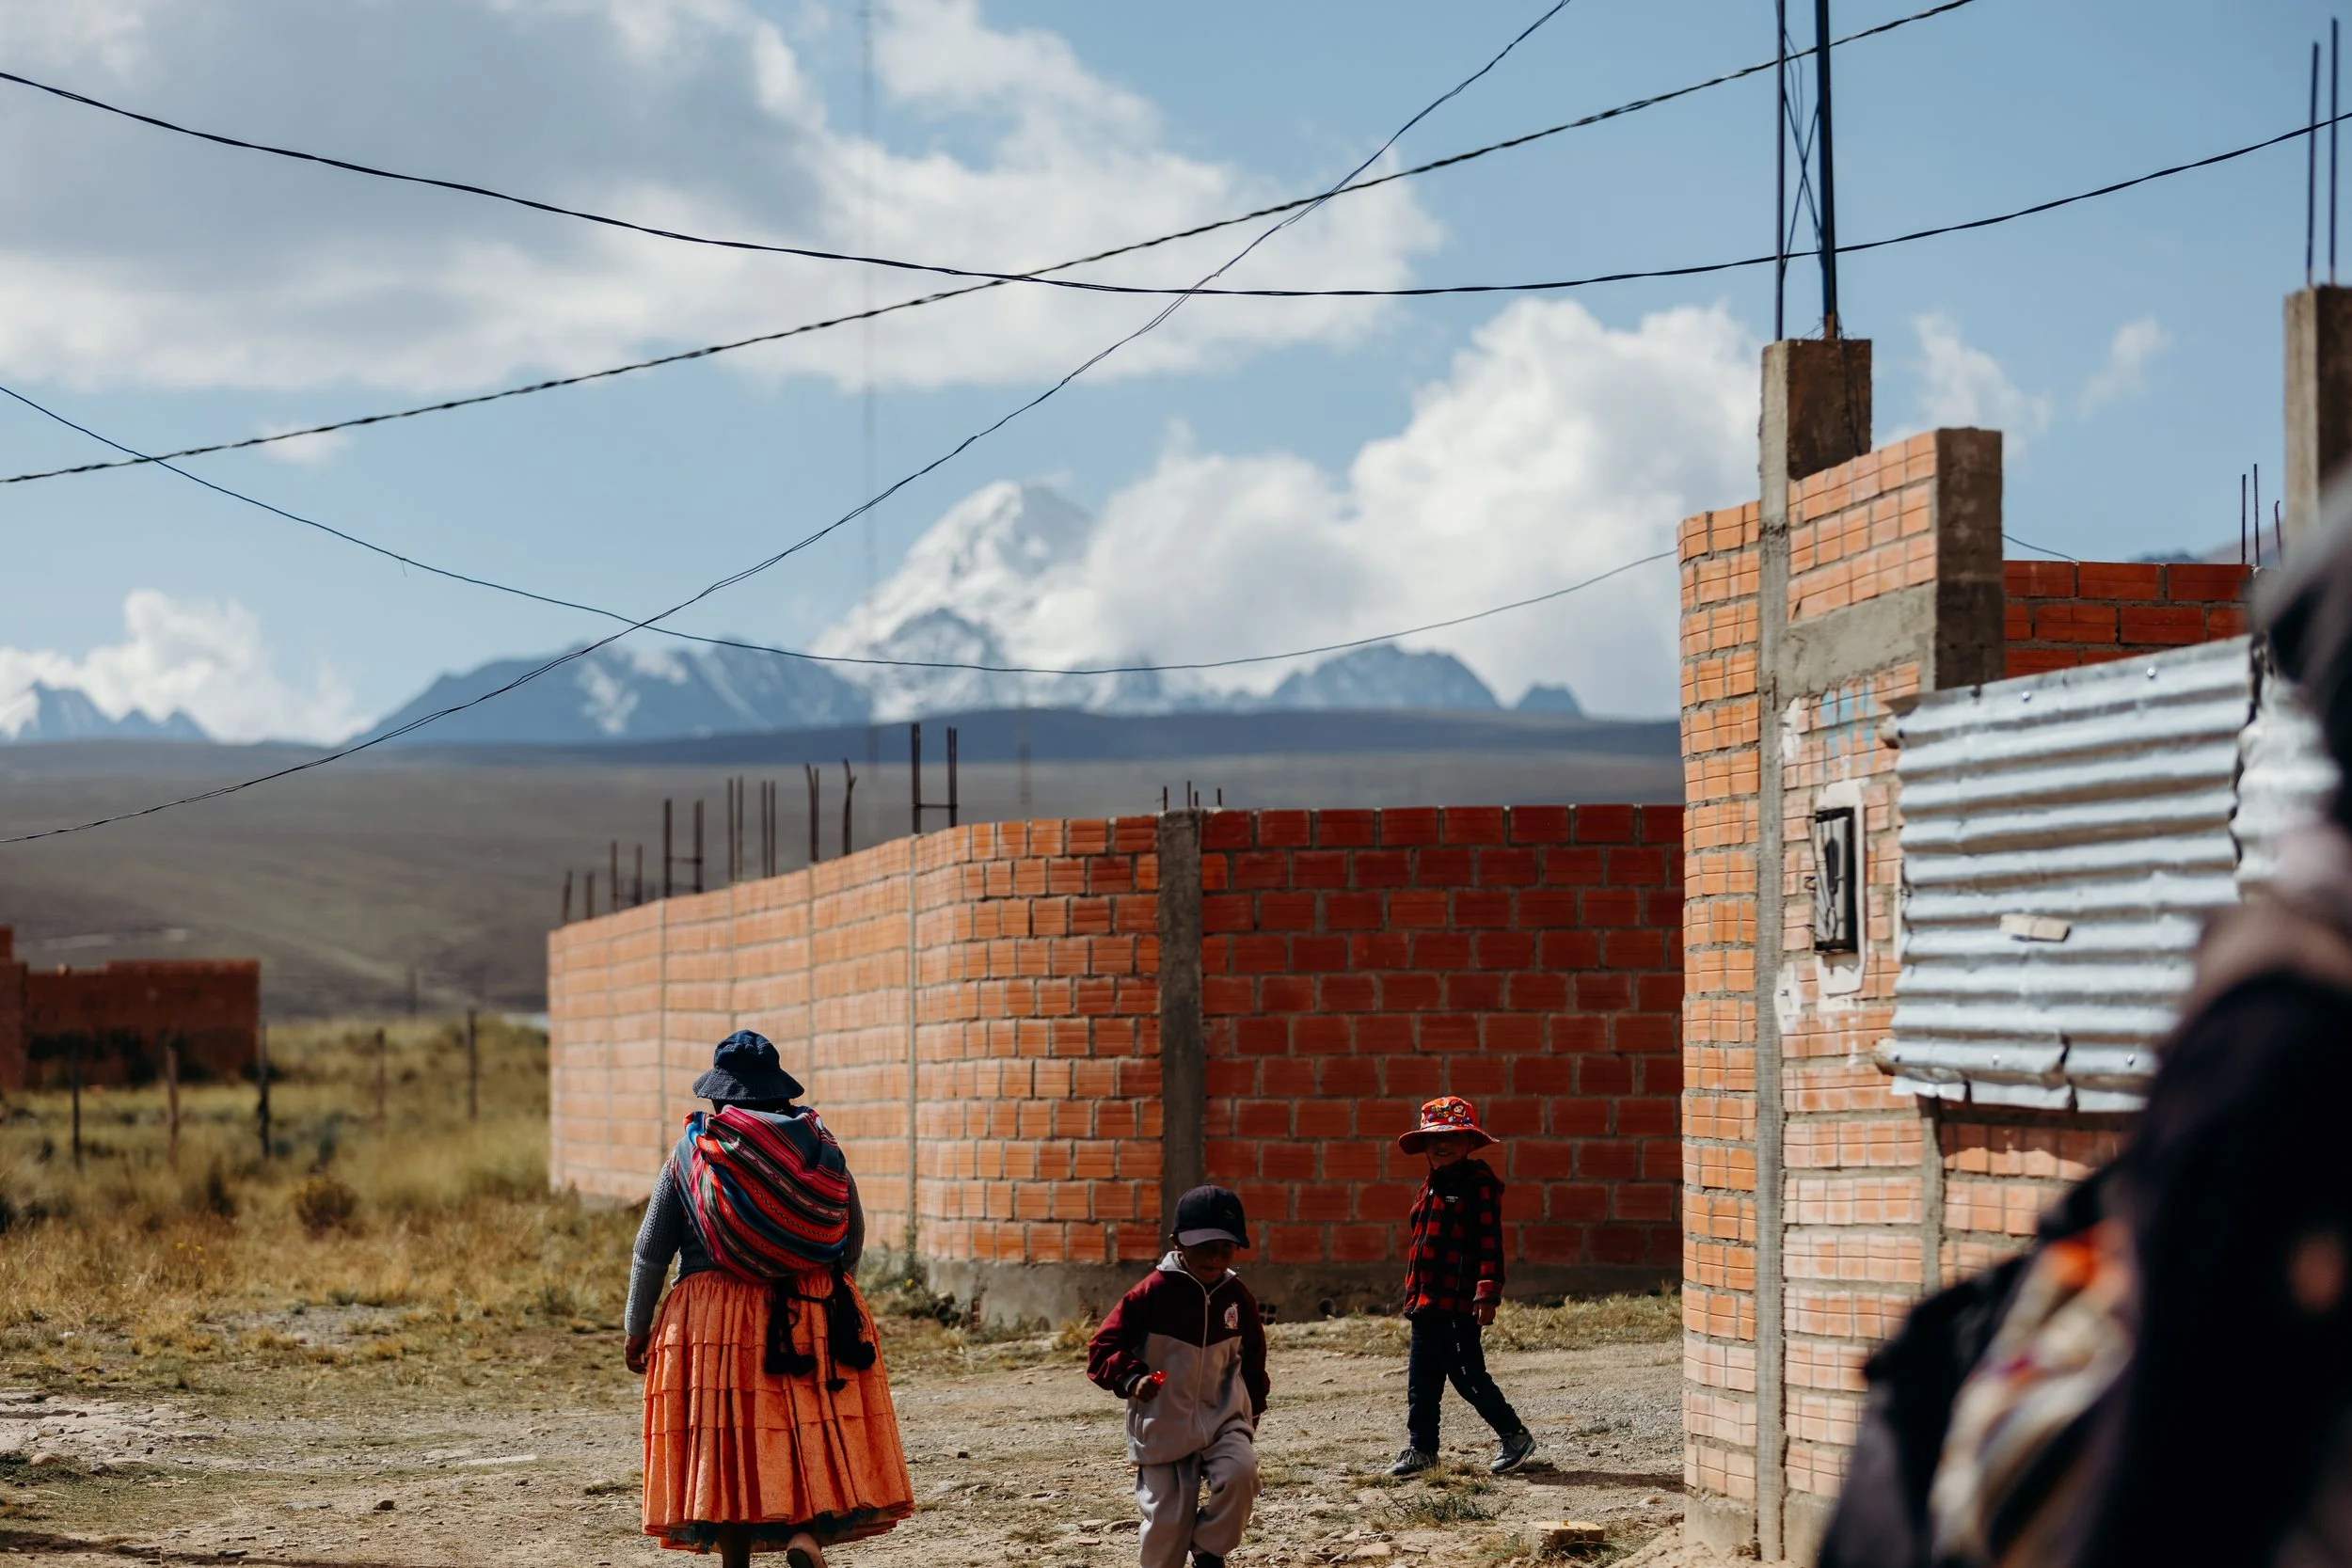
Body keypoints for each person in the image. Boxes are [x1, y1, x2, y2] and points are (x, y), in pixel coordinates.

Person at [624, 1030, 913, 1567]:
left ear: (719, 1095)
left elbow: (650, 1249)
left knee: (729, 1439)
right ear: (780, 1092)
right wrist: (832, 1293)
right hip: (812, 1306)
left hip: (715, 1315)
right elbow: (852, 1232)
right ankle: (803, 1536)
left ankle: (736, 1558)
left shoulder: (695, 1149)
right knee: (802, 1430)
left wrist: (636, 1327)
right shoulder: (821, 1146)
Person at [1086, 1185, 1269, 1568]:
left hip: (1224, 1420)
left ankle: (1208, 1547)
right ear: (1178, 1243)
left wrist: (1251, 1411)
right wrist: (1132, 1378)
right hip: (1164, 1426)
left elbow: (1254, 1359)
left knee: (1241, 1475)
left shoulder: (1236, 1297)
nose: (1216, 1258)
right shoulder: (1150, 1294)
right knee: (1167, 1525)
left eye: (1226, 1248)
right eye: (1204, 1247)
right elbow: (1102, 1349)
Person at [1388, 1096, 1535, 1478]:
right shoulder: (1429, 1188)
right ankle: (1422, 1450)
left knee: (1468, 1376)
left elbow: (1489, 1241)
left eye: (1453, 1136)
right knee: (1422, 1382)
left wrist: (1487, 1290)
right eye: (1435, 1139)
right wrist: (1413, 1297)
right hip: (1426, 1304)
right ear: (1424, 1146)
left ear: (1470, 1143)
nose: (1444, 1145)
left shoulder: (1477, 1186)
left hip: (1457, 1308)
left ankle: (1514, 1434)